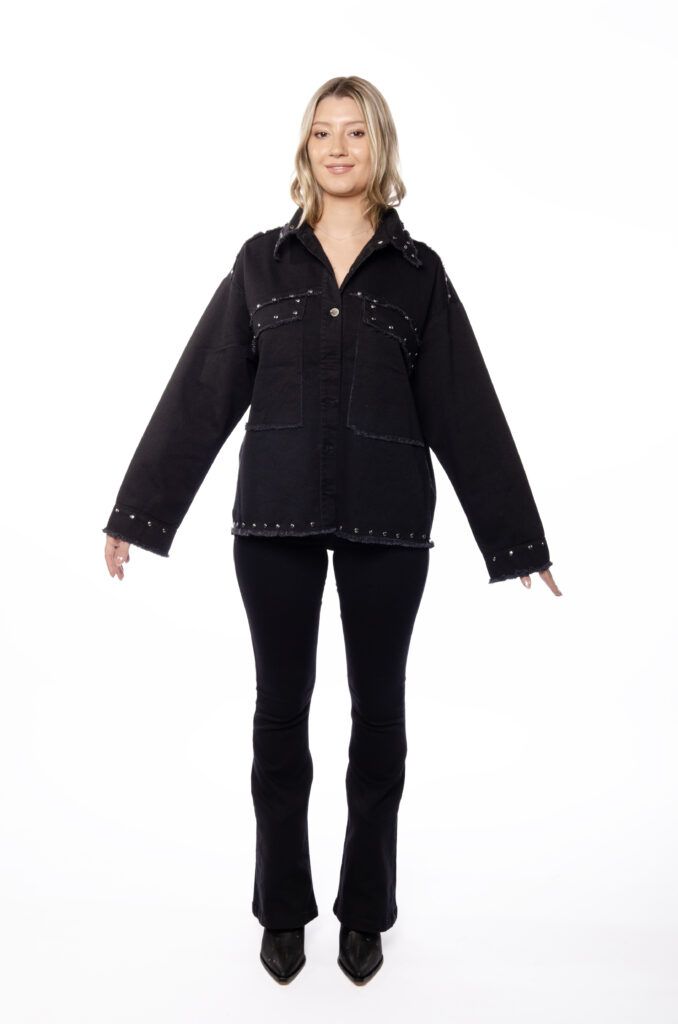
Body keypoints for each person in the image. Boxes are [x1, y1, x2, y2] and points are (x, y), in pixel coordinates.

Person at [102, 75, 562, 987]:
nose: (339, 148)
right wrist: (137, 513)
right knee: (280, 717)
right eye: (323, 133)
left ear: (378, 145)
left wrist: (517, 539)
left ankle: (365, 913)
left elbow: (464, 408)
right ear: (305, 148)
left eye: (355, 132)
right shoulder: (260, 262)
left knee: (378, 720)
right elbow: (202, 390)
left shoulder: (419, 273)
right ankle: (282, 911)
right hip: (272, 517)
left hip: (388, 523)